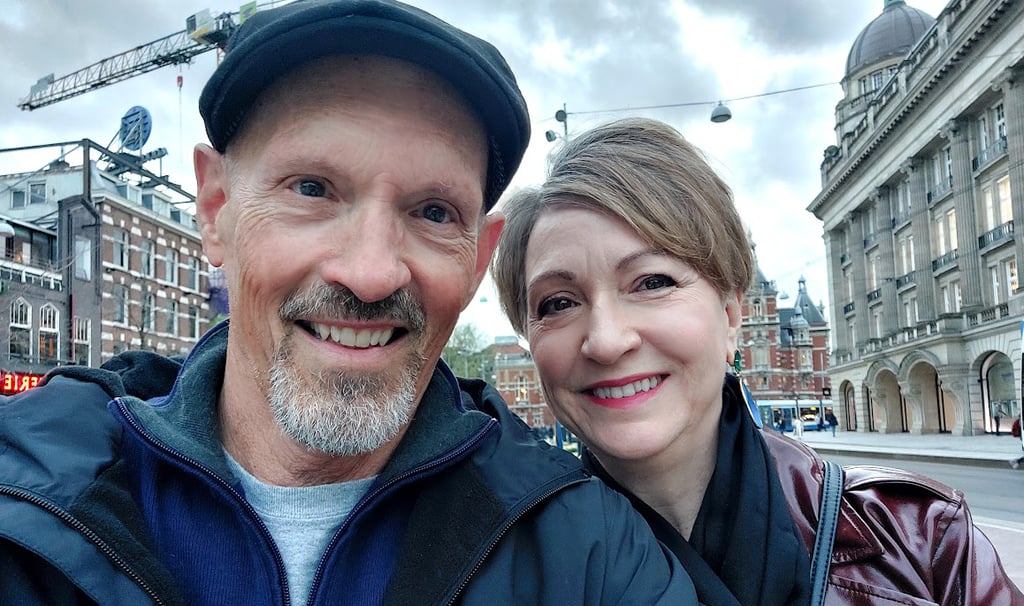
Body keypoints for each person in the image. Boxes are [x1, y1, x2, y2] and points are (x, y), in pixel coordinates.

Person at [0, 5, 697, 605]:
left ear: (480, 257)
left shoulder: (591, 557)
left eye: (432, 210)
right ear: (213, 211)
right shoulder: (22, 504)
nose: (370, 274)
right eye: (311, 189)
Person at [492, 117, 1024, 605]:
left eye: (653, 282)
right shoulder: (494, 574)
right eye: (558, 303)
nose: (606, 341)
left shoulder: (924, 542)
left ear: (731, 318)